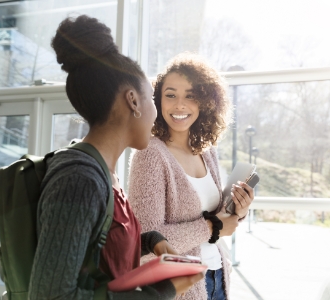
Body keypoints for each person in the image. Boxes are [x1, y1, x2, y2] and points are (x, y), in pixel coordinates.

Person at [28, 16, 203, 300]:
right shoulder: (79, 179)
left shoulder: (104, 173)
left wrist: (152, 241)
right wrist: (159, 293)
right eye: (151, 100)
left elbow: (102, 248)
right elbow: (51, 296)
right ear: (133, 100)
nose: (156, 113)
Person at [128, 53, 255, 300]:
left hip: (219, 276)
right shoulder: (150, 154)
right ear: (157, 100)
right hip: (182, 288)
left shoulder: (207, 152)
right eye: (171, 95)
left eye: (191, 95)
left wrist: (239, 209)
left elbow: (220, 217)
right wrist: (213, 227)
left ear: (205, 102)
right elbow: (145, 240)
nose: (180, 105)